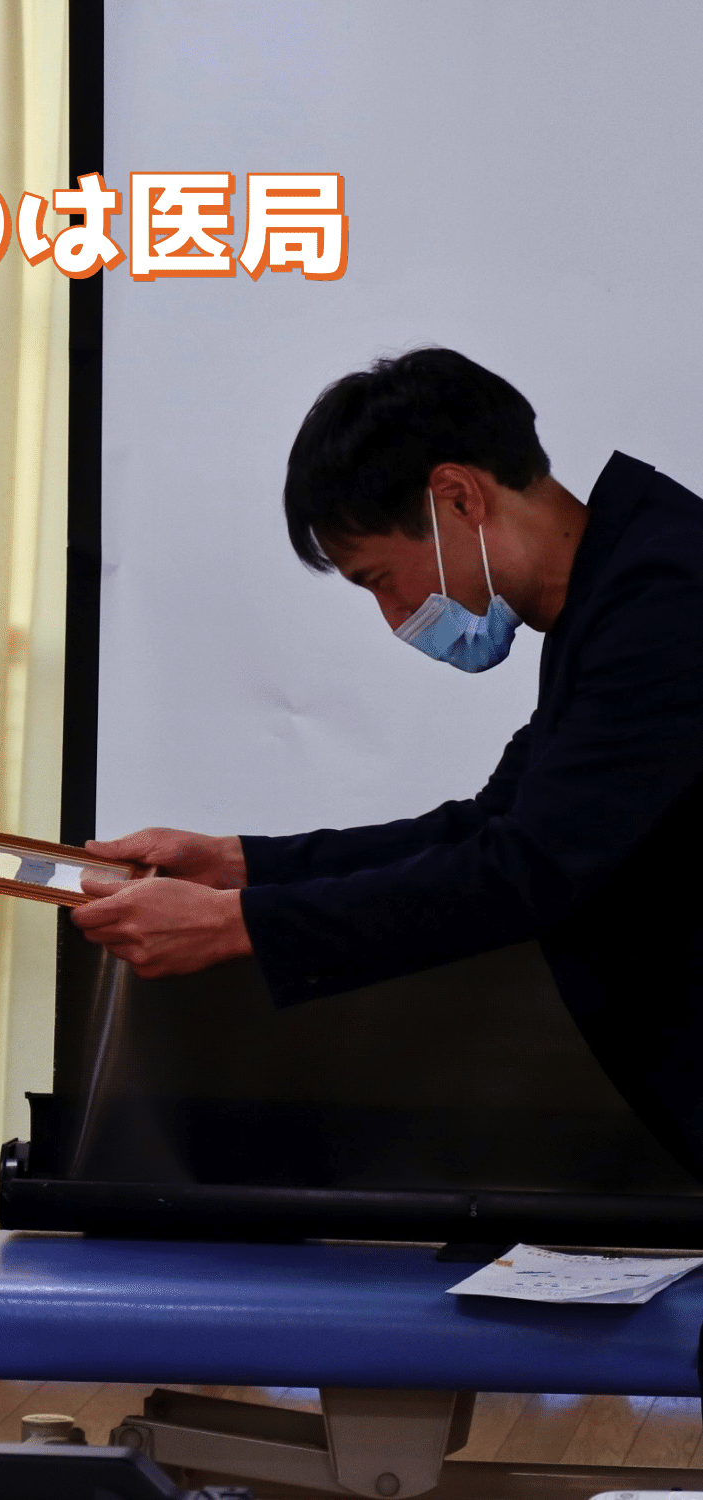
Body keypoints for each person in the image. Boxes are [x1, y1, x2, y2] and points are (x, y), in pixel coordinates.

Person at [73, 346, 703, 1171]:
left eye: (377, 578)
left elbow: (525, 870)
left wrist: (235, 926)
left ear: (457, 496)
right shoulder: (616, 590)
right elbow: (488, 825)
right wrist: (238, 866)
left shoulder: (667, 597)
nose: (394, 615)